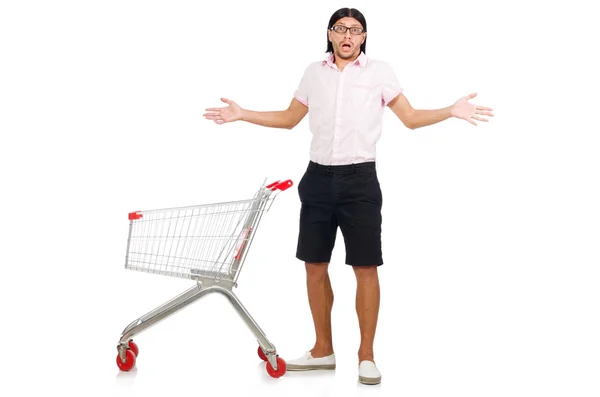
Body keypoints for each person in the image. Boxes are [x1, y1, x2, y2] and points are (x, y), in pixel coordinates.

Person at [203, 7, 493, 385]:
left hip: (360, 181)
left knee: (365, 267)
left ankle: (366, 357)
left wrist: (450, 110)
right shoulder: (313, 72)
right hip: (318, 179)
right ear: (329, 33)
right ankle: (323, 349)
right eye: (341, 29)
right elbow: (290, 118)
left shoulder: (380, 72)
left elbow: (410, 117)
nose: (347, 36)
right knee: (314, 266)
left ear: (363, 37)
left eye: (355, 31)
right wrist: (243, 114)